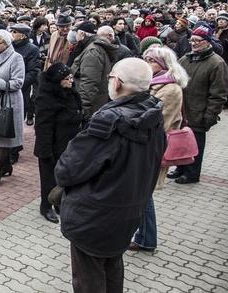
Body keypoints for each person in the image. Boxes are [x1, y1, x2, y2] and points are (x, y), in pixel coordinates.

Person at [55, 58, 166, 292]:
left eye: (111, 77)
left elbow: (68, 169)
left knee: (89, 278)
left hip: (95, 215)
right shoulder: (153, 114)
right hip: (127, 212)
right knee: (113, 266)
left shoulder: (110, 120)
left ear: (117, 83)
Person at [130, 47, 187, 252]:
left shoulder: (170, 88)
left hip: (153, 147)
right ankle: (144, 236)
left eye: (151, 61)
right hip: (146, 144)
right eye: (145, 59)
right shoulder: (154, 83)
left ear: (162, 64)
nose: (147, 64)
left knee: (144, 194)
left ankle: (146, 238)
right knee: (143, 193)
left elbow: (160, 121)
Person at [169, 24, 228, 184]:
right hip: (183, 111)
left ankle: (192, 174)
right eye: (192, 40)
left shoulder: (217, 63)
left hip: (199, 112)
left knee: (195, 145)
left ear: (208, 42)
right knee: (181, 141)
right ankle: (180, 168)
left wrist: (211, 115)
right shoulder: (185, 58)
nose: (194, 43)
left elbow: (218, 94)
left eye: (198, 41)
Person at [33, 62, 83, 223]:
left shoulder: (72, 93)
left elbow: (80, 113)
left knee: (64, 177)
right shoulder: (45, 98)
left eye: (71, 78)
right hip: (51, 146)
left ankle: (58, 202)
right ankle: (45, 206)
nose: (71, 81)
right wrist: (46, 152)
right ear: (57, 80)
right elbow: (43, 128)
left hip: (68, 145)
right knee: (48, 179)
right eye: (66, 78)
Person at [0, 29, 25, 187]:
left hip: (9, 101)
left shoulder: (16, 58)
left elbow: (18, 82)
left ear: (6, 44)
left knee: (2, 138)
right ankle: (6, 165)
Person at [71, 25, 119, 117]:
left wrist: (83, 107)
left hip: (92, 106)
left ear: (82, 35)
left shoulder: (92, 51)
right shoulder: (91, 48)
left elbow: (89, 82)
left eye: (76, 33)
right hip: (94, 102)